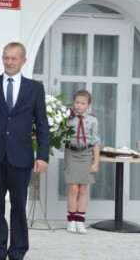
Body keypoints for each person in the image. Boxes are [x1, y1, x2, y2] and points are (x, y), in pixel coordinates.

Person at [0, 42, 50, 260]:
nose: (9, 62)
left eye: (14, 58)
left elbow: (42, 124)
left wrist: (42, 156)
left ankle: (17, 252)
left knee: (18, 206)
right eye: (6, 57)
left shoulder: (34, 88)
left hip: (21, 157)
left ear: (23, 61)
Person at [64, 89, 100, 234]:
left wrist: (95, 162)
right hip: (71, 154)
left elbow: (96, 142)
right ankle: (71, 220)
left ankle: (80, 221)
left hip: (86, 154)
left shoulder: (92, 120)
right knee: (73, 188)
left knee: (83, 189)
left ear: (88, 105)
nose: (79, 106)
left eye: (82, 103)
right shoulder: (67, 117)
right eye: (77, 102)